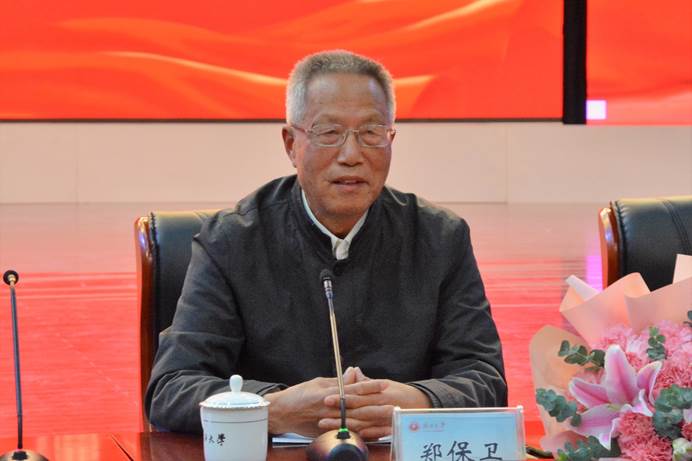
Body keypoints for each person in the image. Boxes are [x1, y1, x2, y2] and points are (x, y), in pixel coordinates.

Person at [145, 50, 507, 438]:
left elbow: (484, 378)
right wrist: (274, 409)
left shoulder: (439, 238)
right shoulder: (231, 241)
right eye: (329, 133)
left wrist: (417, 403)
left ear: (391, 139)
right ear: (291, 144)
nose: (351, 155)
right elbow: (172, 389)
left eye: (371, 132)